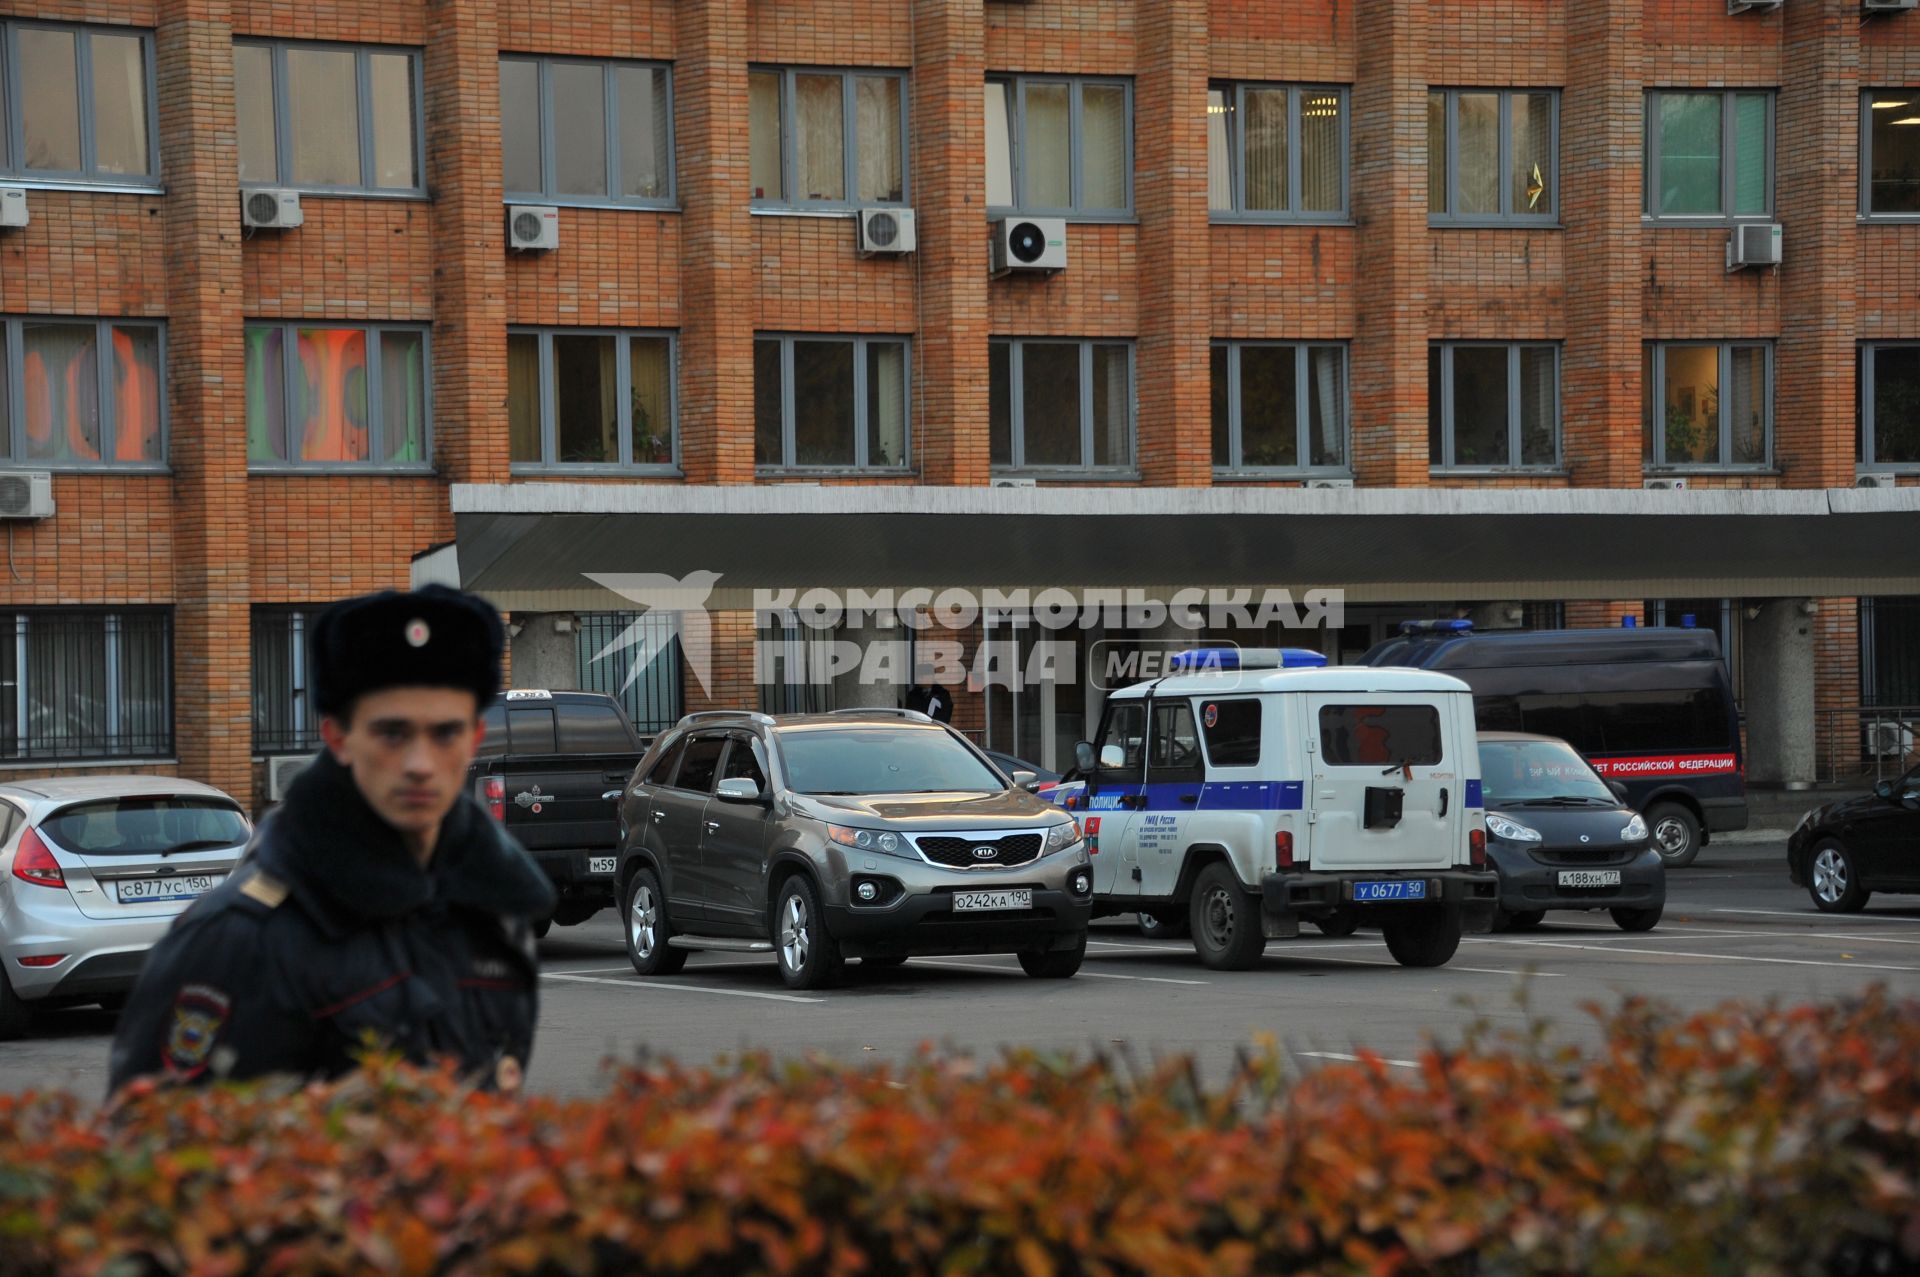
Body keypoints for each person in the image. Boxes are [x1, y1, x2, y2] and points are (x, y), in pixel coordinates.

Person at [108, 586, 555, 1094]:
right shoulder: (238, 939)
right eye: (392, 734)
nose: (420, 764)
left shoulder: (495, 910)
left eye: (445, 733)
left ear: (475, 739)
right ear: (339, 738)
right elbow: (144, 1147)